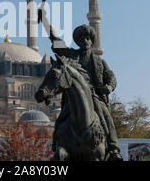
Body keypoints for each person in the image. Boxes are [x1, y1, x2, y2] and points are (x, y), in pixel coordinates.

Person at [46, 23, 123, 161]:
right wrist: (46, 22)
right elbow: (56, 41)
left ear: (92, 40)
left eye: (87, 38)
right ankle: (56, 145)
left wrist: (109, 87)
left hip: (93, 96)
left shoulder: (99, 61)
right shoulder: (71, 55)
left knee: (106, 117)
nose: (85, 41)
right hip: (74, 98)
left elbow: (111, 77)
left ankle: (113, 149)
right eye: (82, 39)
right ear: (78, 41)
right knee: (61, 119)